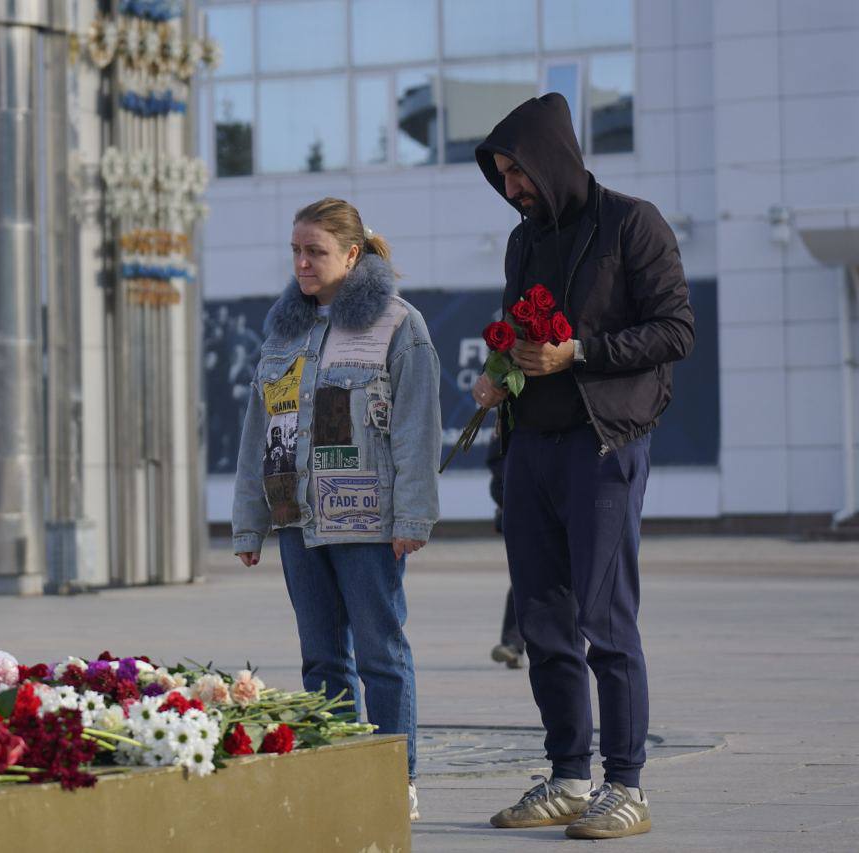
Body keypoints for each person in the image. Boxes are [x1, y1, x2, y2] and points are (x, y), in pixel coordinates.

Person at [471, 93, 694, 839]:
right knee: (543, 622)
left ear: (551, 159)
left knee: (605, 619)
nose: (512, 188)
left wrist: (583, 352)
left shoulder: (633, 223)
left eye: (518, 173)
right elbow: (515, 337)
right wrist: (499, 371)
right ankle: (569, 776)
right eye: (503, 177)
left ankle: (625, 785)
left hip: (604, 444)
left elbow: (675, 329)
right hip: (531, 447)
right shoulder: (522, 240)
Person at [231, 198, 441, 822]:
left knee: (380, 654)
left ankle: (394, 781)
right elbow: (258, 430)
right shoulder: (283, 332)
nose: (302, 262)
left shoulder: (398, 324)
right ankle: (340, 775)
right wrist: (251, 523)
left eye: (315, 251)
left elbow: (415, 429)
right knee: (321, 659)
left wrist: (412, 518)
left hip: (369, 522)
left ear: (352, 254)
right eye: (296, 250)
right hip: (298, 520)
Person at [485, 422, 525, 669]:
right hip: (525, 511)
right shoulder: (509, 413)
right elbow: (497, 469)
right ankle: (512, 645)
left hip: (573, 509)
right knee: (526, 578)